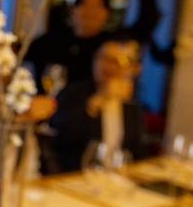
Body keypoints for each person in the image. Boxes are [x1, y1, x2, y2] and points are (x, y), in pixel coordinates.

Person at [25, 0, 161, 91]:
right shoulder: (51, 42)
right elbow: (23, 60)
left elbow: (144, 27)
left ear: (108, 14)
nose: (91, 12)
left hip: (95, 108)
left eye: (98, 7)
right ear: (73, 10)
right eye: (85, 5)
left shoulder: (111, 44)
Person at [49, 38, 149, 173]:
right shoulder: (73, 93)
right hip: (77, 175)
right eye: (104, 59)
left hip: (118, 176)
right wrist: (96, 103)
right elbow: (60, 139)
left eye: (118, 61)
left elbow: (137, 152)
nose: (109, 66)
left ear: (133, 69)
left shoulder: (132, 105)